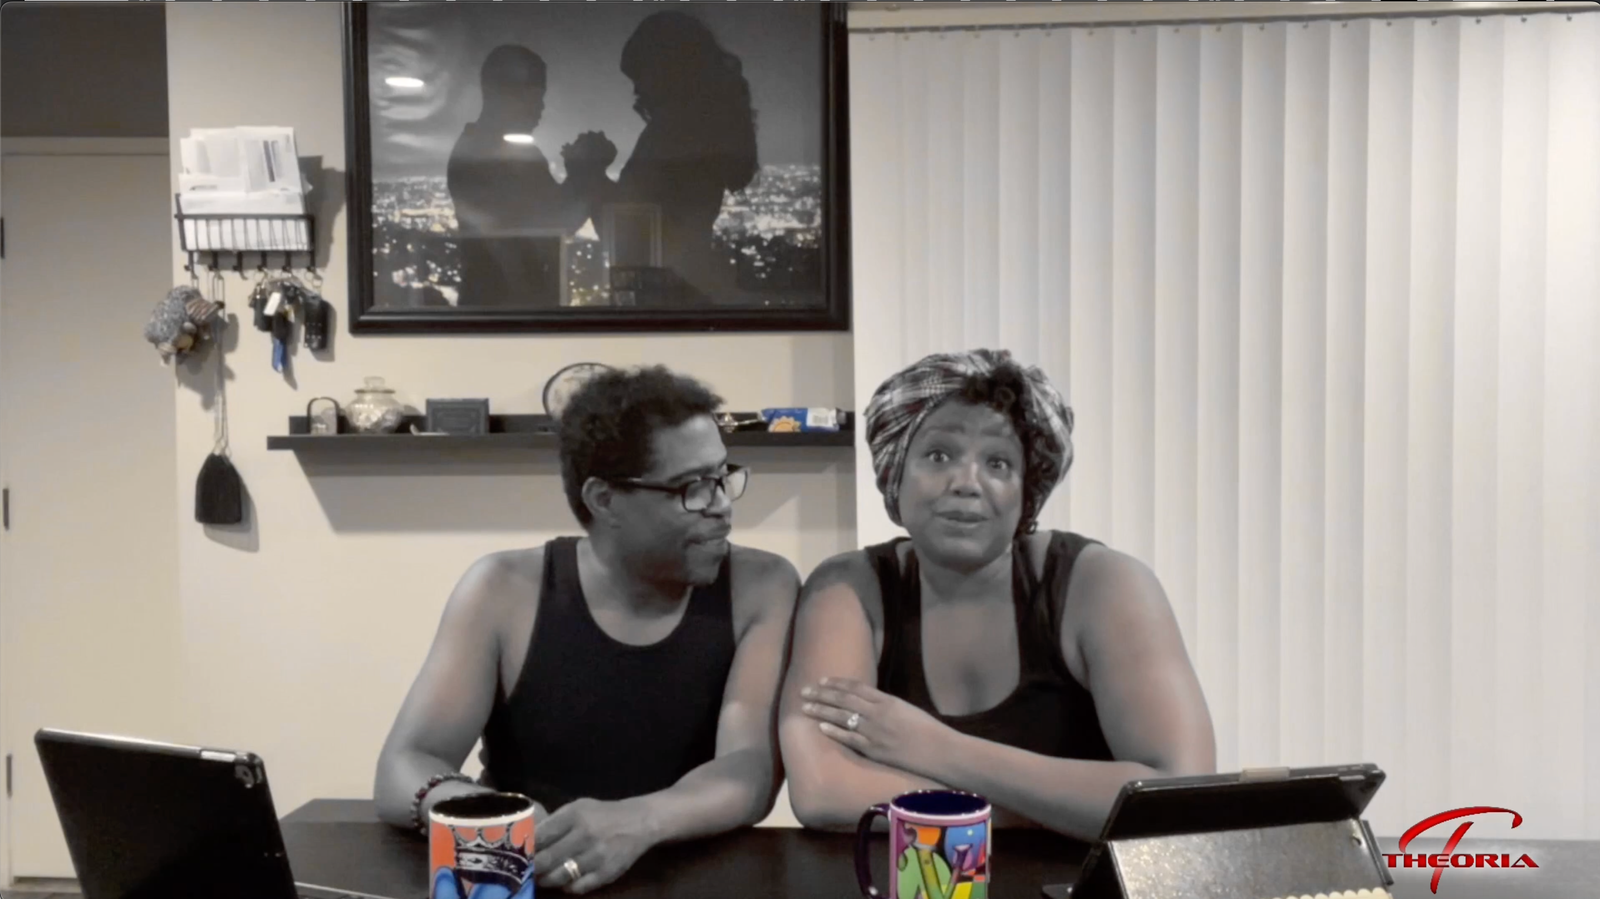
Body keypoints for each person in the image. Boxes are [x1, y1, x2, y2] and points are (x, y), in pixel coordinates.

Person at [374, 365, 799, 894]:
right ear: (604, 499)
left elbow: (749, 768)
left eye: (722, 477)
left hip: (697, 878)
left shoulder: (762, 586)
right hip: (532, 872)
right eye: (692, 487)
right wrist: (484, 810)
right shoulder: (503, 589)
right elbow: (405, 764)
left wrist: (638, 822)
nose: (722, 506)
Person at [778, 349, 1216, 841]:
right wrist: (1064, 809)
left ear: (1027, 492)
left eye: (998, 463)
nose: (967, 483)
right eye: (939, 455)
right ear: (895, 473)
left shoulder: (1103, 584)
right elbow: (823, 791)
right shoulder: (849, 588)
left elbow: (1178, 796)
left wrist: (935, 747)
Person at [561, 11, 759, 302]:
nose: (637, 89)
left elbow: (636, 238)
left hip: (668, 297)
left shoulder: (675, 135)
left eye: (641, 76)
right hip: (682, 292)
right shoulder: (697, 132)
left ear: (669, 72)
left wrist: (590, 173)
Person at [447, 45, 594, 307]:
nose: (540, 108)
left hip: (499, 307)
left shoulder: (483, 150)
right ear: (501, 95)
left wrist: (579, 174)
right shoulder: (489, 155)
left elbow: (549, 220)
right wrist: (584, 173)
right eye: (533, 97)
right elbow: (555, 224)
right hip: (508, 308)